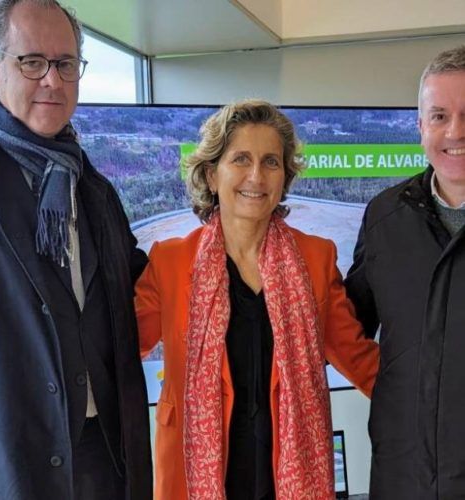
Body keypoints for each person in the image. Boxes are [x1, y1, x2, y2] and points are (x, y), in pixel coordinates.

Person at [135, 99, 379, 499]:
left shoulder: (316, 259)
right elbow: (120, 349)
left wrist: (434, 405)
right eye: (241, 159)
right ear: (212, 175)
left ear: (284, 176)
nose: (256, 176)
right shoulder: (170, 261)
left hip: (288, 475)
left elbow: (358, 358)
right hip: (196, 474)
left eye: (271, 162)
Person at [0, 1, 152, 499]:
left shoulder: (92, 186)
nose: (53, 80)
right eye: (33, 62)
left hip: (102, 454)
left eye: (66, 64)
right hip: (6, 459)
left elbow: (137, 293)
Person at [345, 45, 465, 499]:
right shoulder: (385, 217)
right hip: (405, 475)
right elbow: (348, 324)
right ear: (420, 128)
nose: (455, 131)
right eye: (439, 116)